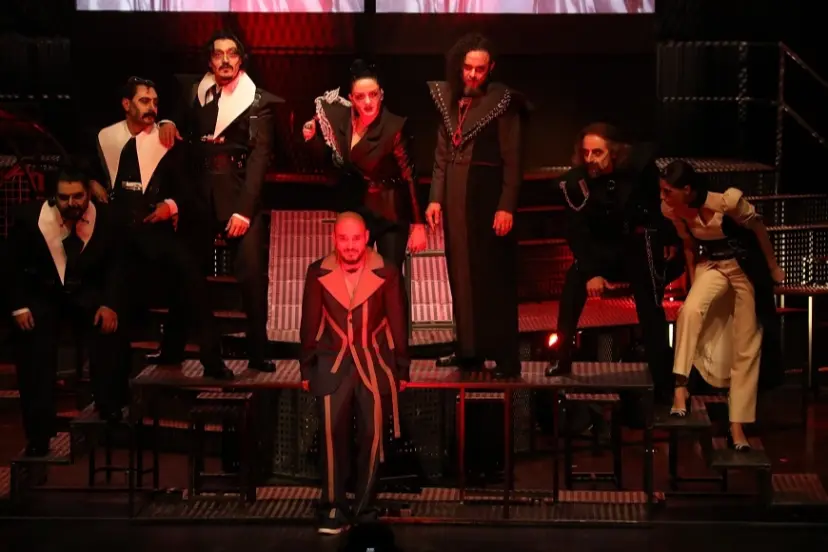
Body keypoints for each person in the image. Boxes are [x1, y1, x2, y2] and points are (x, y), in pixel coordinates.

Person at [157, 29, 284, 373]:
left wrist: (244, 210)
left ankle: (257, 352)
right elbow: (175, 118)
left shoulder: (257, 101)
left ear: (241, 60)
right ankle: (172, 349)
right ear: (210, 61)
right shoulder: (194, 90)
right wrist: (168, 121)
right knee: (187, 272)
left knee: (251, 276)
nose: (225, 60)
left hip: (238, 194)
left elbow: (259, 158)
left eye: (232, 54)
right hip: (198, 194)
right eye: (218, 54)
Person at [92, 76, 233, 380]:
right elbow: (83, 169)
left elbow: (190, 190)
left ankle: (212, 359)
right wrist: (92, 182)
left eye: (155, 102)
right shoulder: (106, 137)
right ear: (126, 104)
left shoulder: (167, 141)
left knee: (191, 278)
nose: (152, 108)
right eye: (144, 101)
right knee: (110, 285)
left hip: (156, 231)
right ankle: (112, 382)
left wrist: (171, 205)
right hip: (118, 234)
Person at [546, 123, 677, 403]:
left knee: (649, 302)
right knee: (573, 283)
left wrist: (667, 238)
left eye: (597, 152)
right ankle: (562, 356)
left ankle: (663, 376)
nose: (590, 159)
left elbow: (656, 208)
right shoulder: (577, 182)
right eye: (586, 153)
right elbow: (576, 231)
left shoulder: (638, 172)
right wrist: (592, 272)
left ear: (613, 152)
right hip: (598, 251)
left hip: (633, 248)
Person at [660, 160, 784, 450]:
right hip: (713, 266)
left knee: (747, 343)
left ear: (687, 189)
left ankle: (737, 425)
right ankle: (680, 388)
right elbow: (689, 246)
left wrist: (773, 266)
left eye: (668, 191)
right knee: (689, 311)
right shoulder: (674, 209)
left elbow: (759, 230)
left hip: (743, 268)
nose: (663, 197)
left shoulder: (727, 202)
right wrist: (693, 284)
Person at [299, 212, 410, 535]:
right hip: (332, 363)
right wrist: (306, 367)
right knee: (332, 435)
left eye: (356, 239)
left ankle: (364, 509)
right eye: (343, 239)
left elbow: (398, 321)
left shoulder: (387, 271)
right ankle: (333, 507)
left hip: (374, 362)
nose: (350, 246)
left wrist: (402, 368)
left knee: (372, 437)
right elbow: (309, 322)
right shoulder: (318, 271)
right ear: (334, 239)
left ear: (366, 238)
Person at [425, 32, 528, 378]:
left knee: (492, 278)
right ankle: (468, 350)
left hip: (487, 198)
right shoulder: (449, 99)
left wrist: (507, 205)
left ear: (491, 68)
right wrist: (434, 199)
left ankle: (505, 357)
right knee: (460, 274)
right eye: (468, 67)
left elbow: (513, 160)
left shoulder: (503, 103)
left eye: (480, 69)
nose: (472, 75)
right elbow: (441, 156)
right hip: (455, 198)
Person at [2, 170, 125, 456]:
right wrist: (19, 306)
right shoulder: (29, 219)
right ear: (53, 197)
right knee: (32, 348)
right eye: (64, 197)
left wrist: (110, 304)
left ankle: (110, 408)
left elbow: (117, 266)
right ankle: (38, 435)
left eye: (78, 196)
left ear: (88, 193)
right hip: (43, 296)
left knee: (111, 331)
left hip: (86, 295)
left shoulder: (107, 219)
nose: (72, 203)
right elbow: (9, 266)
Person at [302, 59, 427, 272]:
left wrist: (418, 224)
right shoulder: (343, 121)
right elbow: (333, 162)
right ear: (351, 98)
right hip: (356, 208)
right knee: (354, 276)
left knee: (388, 275)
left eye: (373, 94)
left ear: (381, 95)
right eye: (360, 97)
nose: (368, 102)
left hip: (389, 212)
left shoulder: (394, 126)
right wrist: (312, 139)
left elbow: (409, 175)